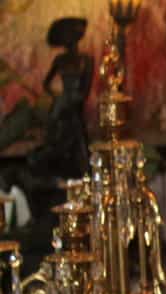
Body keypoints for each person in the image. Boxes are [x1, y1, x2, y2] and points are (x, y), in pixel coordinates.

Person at [39, 17, 93, 179]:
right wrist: (56, 96)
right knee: (57, 134)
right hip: (62, 102)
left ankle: (84, 171)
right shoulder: (59, 59)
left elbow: (85, 89)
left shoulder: (87, 59)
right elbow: (46, 83)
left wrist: (74, 100)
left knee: (78, 135)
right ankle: (58, 168)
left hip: (75, 103)